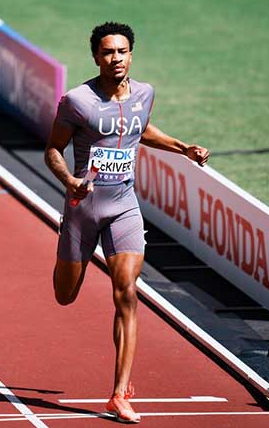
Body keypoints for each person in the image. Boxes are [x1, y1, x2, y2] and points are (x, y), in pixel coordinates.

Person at [44, 22, 209, 424]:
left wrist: (181, 148)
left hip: (124, 207)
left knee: (127, 293)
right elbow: (52, 149)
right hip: (83, 210)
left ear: (131, 54)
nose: (115, 59)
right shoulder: (77, 101)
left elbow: (139, 130)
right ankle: (66, 243)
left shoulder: (145, 94)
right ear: (95, 57)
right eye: (107, 52)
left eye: (121, 51)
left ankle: (119, 393)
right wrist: (69, 181)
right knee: (64, 295)